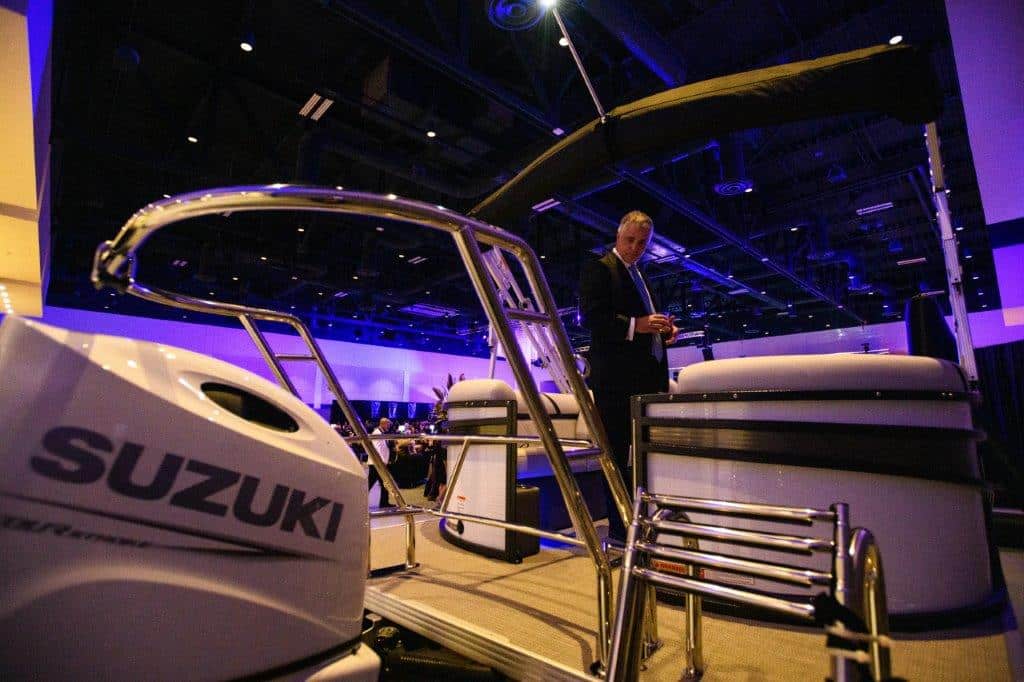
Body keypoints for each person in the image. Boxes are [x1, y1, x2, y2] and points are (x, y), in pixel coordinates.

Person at [579, 210, 679, 543]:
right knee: (617, 456)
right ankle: (620, 532)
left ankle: (640, 523)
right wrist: (639, 324)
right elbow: (593, 319)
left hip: (647, 379)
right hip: (616, 383)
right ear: (618, 236)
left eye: (642, 243)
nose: (635, 247)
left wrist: (664, 331)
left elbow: (645, 323)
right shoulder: (600, 268)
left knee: (644, 456)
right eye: (630, 240)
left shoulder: (640, 275)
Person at [367, 417, 396, 508]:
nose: (389, 427)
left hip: (378, 463)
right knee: (370, 484)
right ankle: (357, 499)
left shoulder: (381, 433)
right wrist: (382, 463)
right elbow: (377, 449)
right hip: (377, 464)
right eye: (388, 425)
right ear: (383, 424)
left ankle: (384, 503)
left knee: (384, 484)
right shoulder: (377, 433)